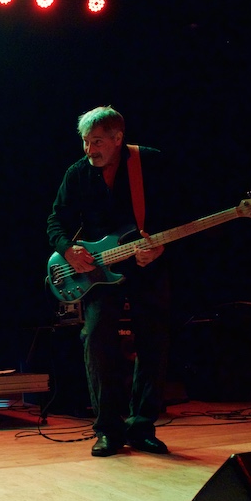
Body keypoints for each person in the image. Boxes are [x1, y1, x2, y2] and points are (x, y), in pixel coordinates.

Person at [46, 105, 173, 457]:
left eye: (97, 142)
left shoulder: (151, 163)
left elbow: (177, 212)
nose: (90, 150)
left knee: (154, 342)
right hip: (98, 273)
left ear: (119, 139)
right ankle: (107, 429)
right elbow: (55, 221)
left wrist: (160, 247)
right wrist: (68, 249)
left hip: (148, 265)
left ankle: (142, 427)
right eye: (86, 142)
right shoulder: (77, 174)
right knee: (97, 338)